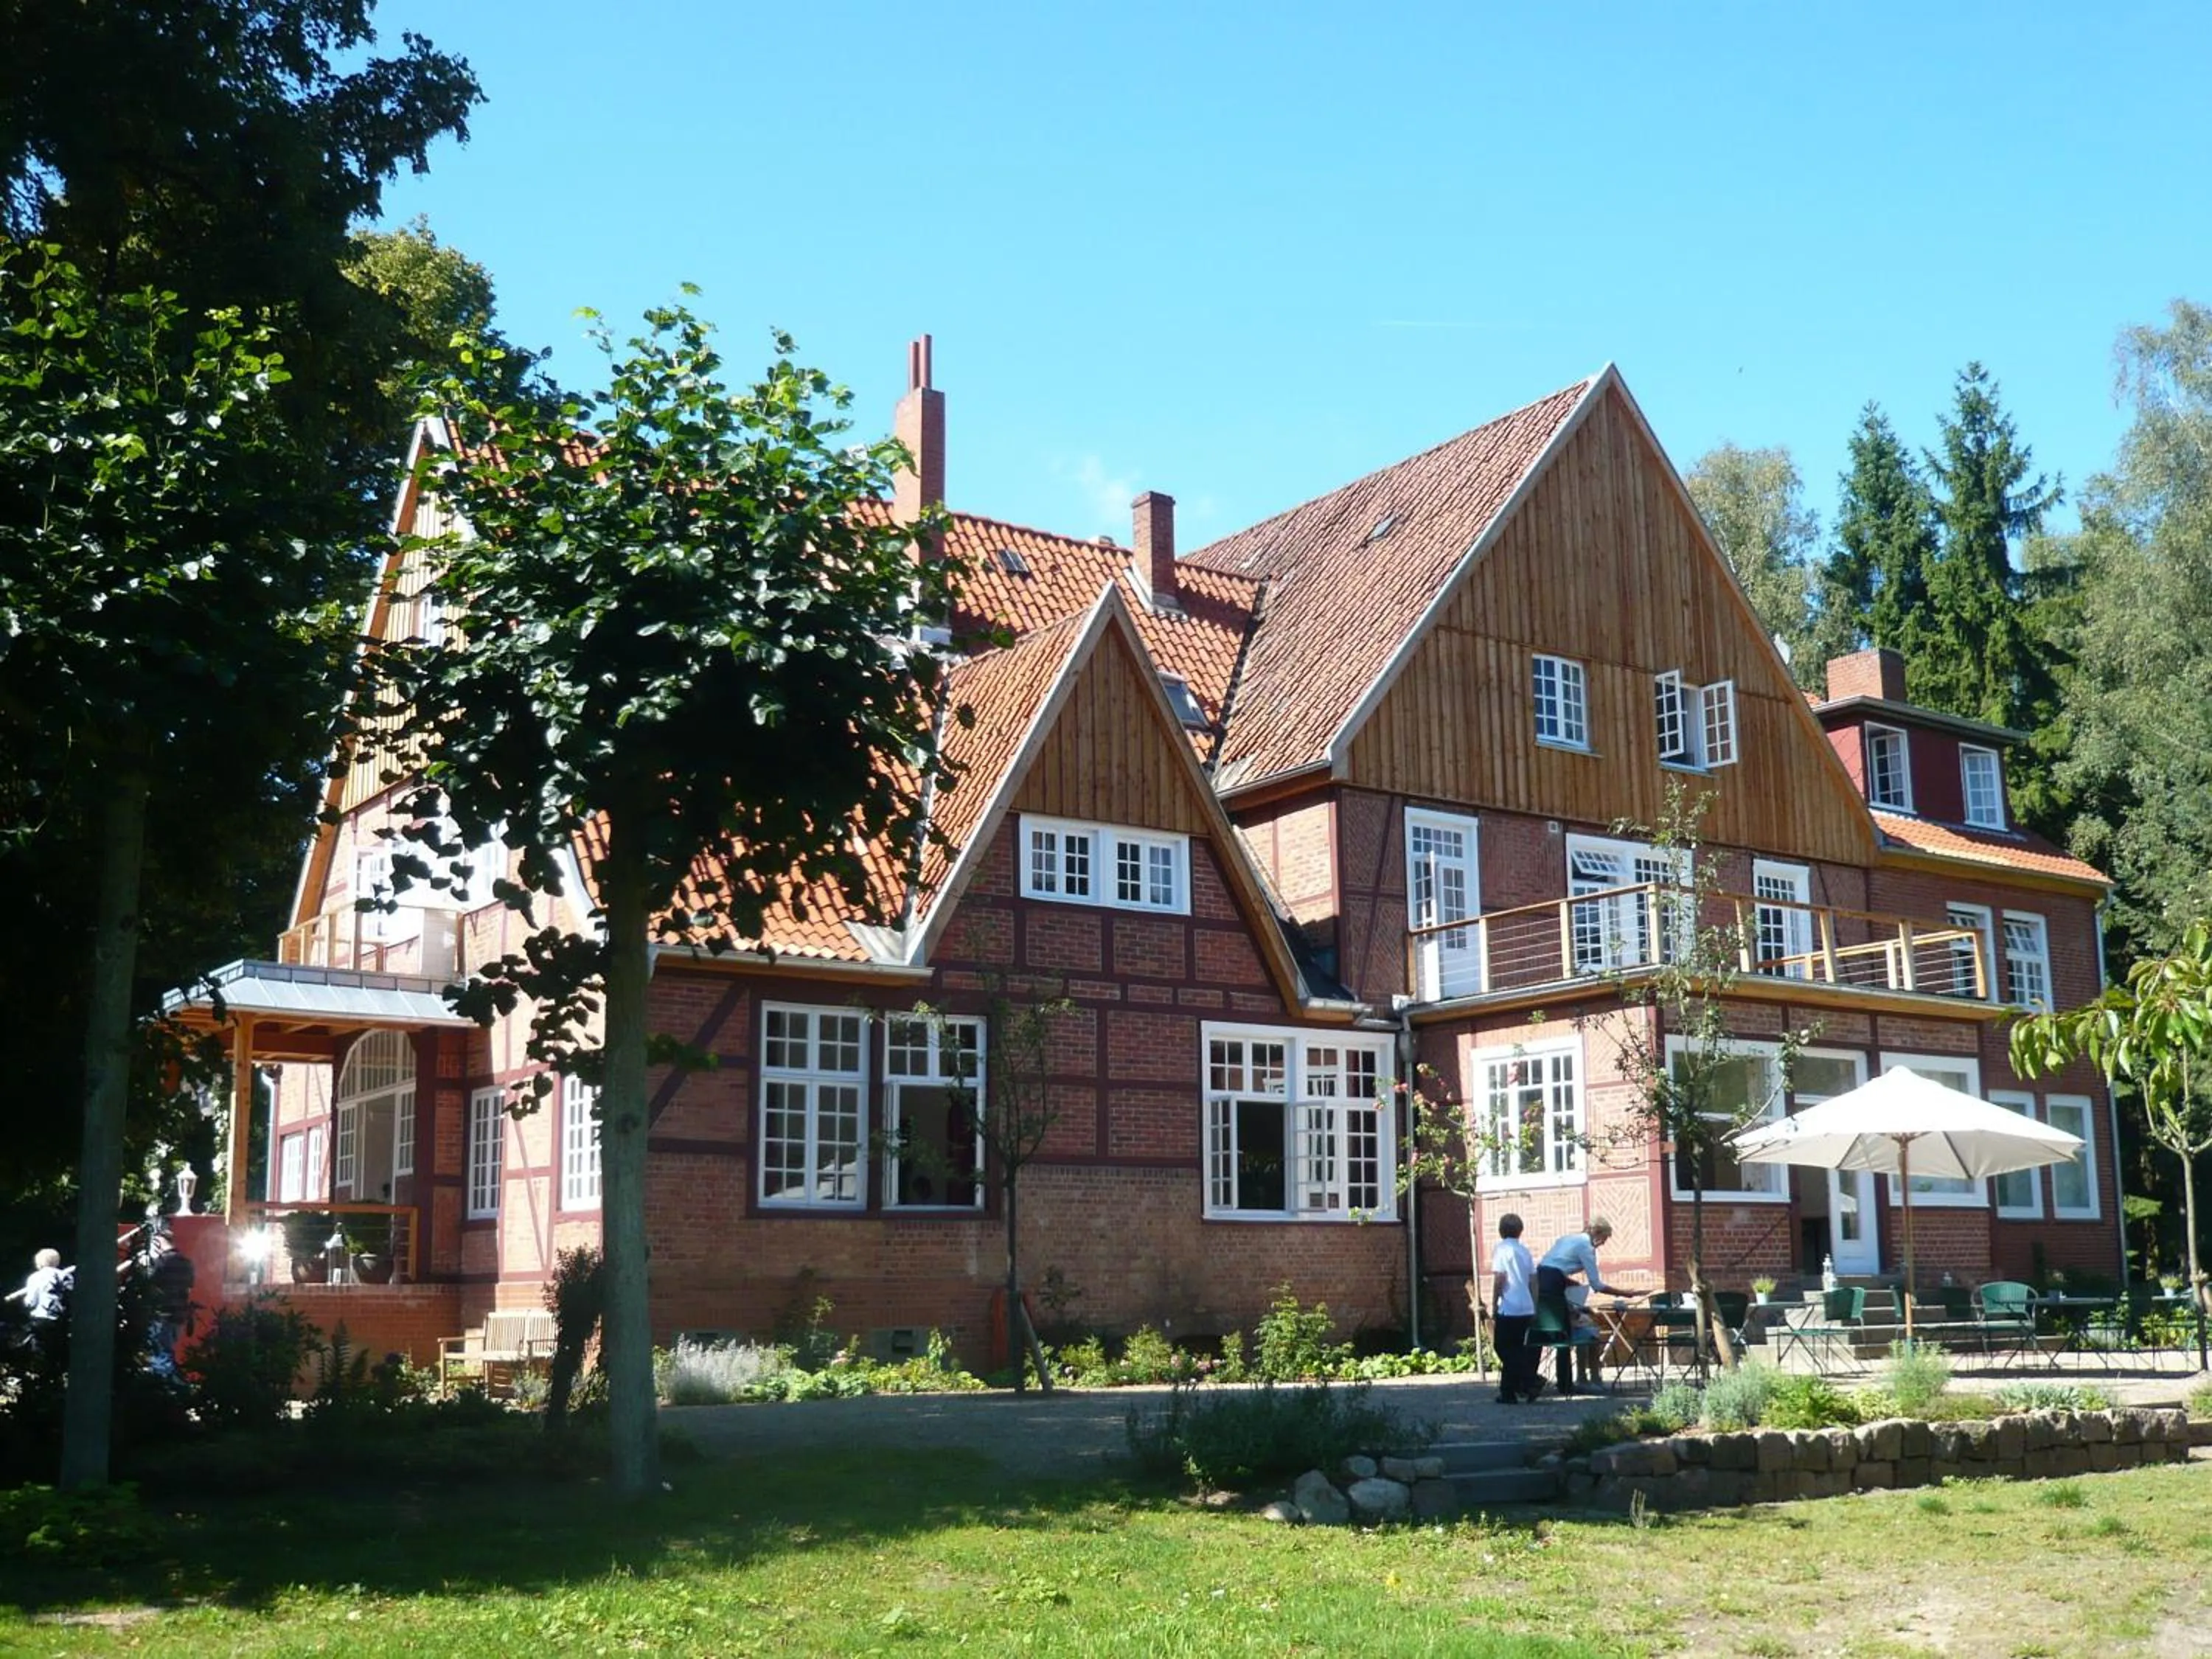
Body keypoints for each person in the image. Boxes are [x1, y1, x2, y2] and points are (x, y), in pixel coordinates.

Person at [1535, 1218, 1640, 1396]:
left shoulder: (1567, 1239)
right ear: (1597, 1234)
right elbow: (1597, 1285)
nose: (1604, 1243)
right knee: (1564, 1334)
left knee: (1559, 1329)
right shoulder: (1587, 1248)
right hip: (1554, 1285)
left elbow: (1552, 1266)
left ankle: (1569, 1380)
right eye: (1605, 1238)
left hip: (1540, 1281)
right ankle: (1567, 1384)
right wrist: (1625, 1293)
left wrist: (1568, 1281)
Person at [1488, 1212, 1541, 1405]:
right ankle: (1510, 1390)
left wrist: (1494, 1302)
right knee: (1517, 1348)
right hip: (1526, 1306)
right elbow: (1534, 1280)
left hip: (1509, 1307)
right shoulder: (1524, 1251)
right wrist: (1535, 1305)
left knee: (1502, 1346)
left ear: (1501, 1231)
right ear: (1520, 1231)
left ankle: (1529, 1380)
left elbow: (1500, 1278)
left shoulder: (1501, 1250)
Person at [6, 1248, 71, 1323]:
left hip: (39, 1319)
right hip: (60, 1319)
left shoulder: (34, 1277)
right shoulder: (65, 1275)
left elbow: (30, 1303)